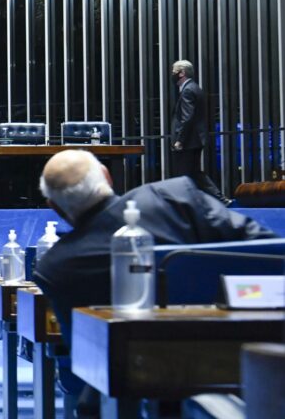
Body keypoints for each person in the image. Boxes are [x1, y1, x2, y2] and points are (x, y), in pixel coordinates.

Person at [33, 149, 275, 416]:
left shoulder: (54, 268)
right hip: (248, 363)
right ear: (107, 176)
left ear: (53, 207)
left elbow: (83, 357)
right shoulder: (174, 195)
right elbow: (267, 251)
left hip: (135, 382)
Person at [170, 60, 230, 205]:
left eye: (174, 71)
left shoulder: (188, 90)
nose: (172, 74)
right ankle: (219, 200)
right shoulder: (195, 88)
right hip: (195, 139)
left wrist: (180, 140)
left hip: (188, 141)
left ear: (182, 73)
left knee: (183, 175)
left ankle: (184, 205)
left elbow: (187, 117)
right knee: (195, 173)